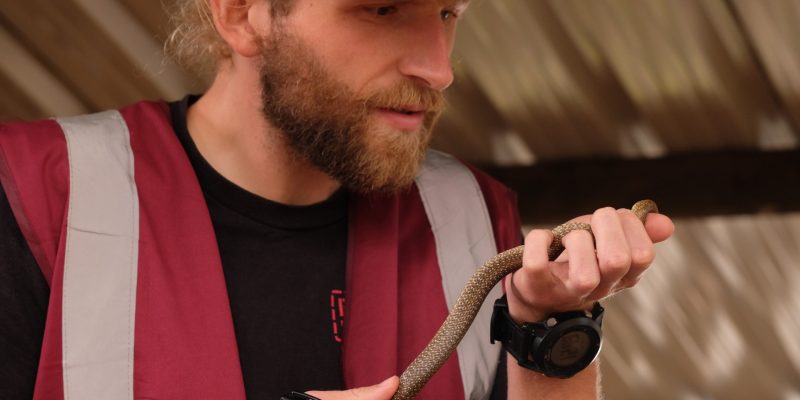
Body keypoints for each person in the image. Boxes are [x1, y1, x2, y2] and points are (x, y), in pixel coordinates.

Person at [0, 0, 674, 399]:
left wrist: (549, 337)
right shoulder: (35, 189)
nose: (439, 68)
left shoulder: (474, 215)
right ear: (242, 13)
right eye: (381, 8)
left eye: (448, 12)